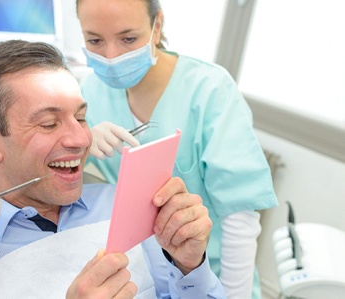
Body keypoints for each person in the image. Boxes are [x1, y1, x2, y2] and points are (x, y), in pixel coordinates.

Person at [0, 39, 226, 298]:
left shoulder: (124, 205)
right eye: (49, 123)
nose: (81, 140)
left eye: (80, 118)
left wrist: (189, 267)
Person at [76, 0, 278, 298]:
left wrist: (234, 294)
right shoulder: (91, 90)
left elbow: (240, 217)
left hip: (213, 272)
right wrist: (84, 144)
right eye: (94, 40)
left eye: (128, 38)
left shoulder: (209, 89)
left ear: (157, 26)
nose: (111, 55)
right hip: (143, 273)